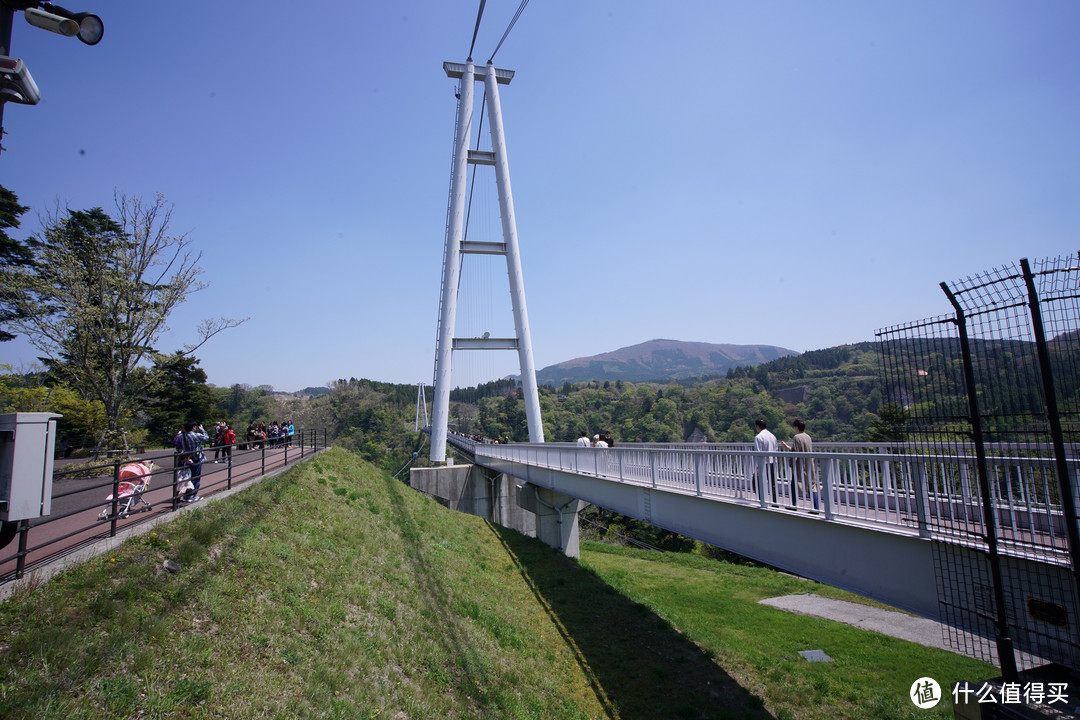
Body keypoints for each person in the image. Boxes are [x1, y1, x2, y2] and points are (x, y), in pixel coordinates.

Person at [781, 418, 816, 508]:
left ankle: (793, 505)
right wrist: (787, 446)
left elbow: (795, 452)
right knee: (811, 485)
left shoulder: (796, 437)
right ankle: (816, 507)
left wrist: (791, 463)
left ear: (796, 427)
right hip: (809, 463)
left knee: (794, 485)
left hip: (800, 464)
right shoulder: (808, 436)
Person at [177, 420, 210, 503]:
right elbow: (206, 438)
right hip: (196, 457)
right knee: (195, 478)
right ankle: (192, 496)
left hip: (186, 458)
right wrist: (202, 429)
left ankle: (185, 496)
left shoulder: (181, 435)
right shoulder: (195, 435)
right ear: (193, 427)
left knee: (188, 477)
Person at [753, 419, 778, 502]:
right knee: (772, 484)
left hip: (763, 463)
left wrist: (757, 467)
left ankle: (762, 499)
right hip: (772, 462)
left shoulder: (758, 437)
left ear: (757, 426)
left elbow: (758, 452)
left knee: (756, 482)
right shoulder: (772, 436)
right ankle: (775, 502)